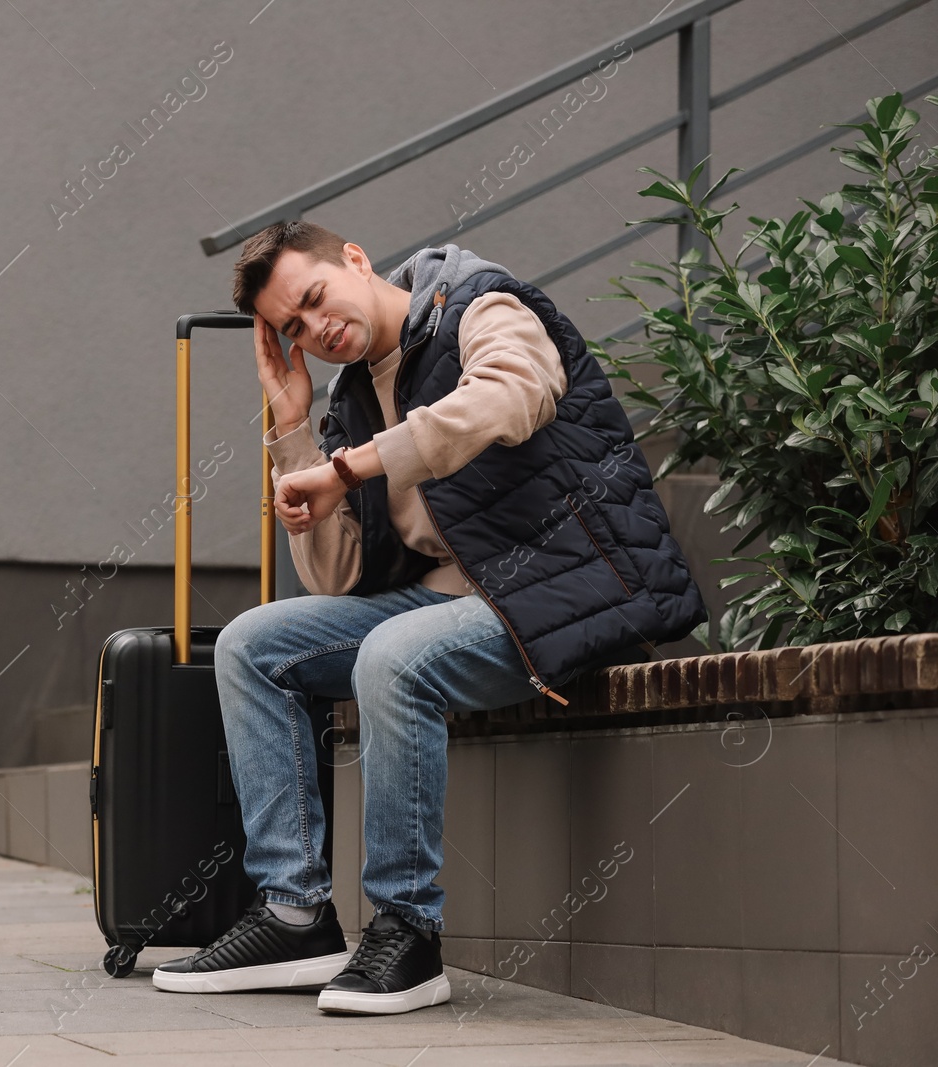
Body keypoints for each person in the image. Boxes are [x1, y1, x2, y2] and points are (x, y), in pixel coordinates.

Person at [150, 221, 704, 1015]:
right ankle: (296, 914)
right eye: (296, 328)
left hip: (571, 583)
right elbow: (339, 577)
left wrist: (350, 466)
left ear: (354, 259)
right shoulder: (349, 401)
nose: (318, 327)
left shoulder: (482, 303)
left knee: (392, 657)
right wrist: (293, 427)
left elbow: (512, 396)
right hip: (447, 601)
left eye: (314, 298)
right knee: (250, 643)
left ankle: (408, 932)